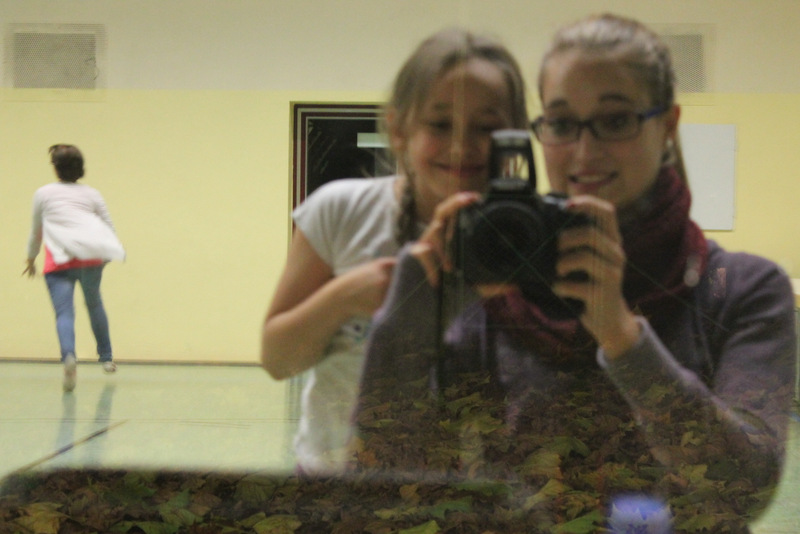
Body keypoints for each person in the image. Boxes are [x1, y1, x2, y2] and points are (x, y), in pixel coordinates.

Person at [353, 13, 796, 532]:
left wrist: (624, 338)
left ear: (668, 125)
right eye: (562, 124)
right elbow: (388, 482)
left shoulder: (741, 289)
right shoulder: (499, 292)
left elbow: (745, 490)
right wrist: (407, 314)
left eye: (616, 120)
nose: (585, 152)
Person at [260, 27, 529, 475]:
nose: (462, 146)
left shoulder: (531, 234)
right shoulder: (340, 211)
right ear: (399, 129)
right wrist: (345, 296)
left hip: (476, 491)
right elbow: (278, 359)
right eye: (440, 124)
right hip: (337, 483)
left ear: (515, 135)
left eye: (487, 127)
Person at [24, 144, 125, 392]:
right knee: (94, 304)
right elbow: (108, 226)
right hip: (90, 260)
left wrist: (30, 259)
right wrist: (107, 254)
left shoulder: (43, 194)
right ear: (80, 168)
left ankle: (69, 357)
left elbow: (36, 231)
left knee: (64, 313)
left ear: (56, 168)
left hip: (58, 262)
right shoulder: (92, 194)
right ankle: (106, 358)